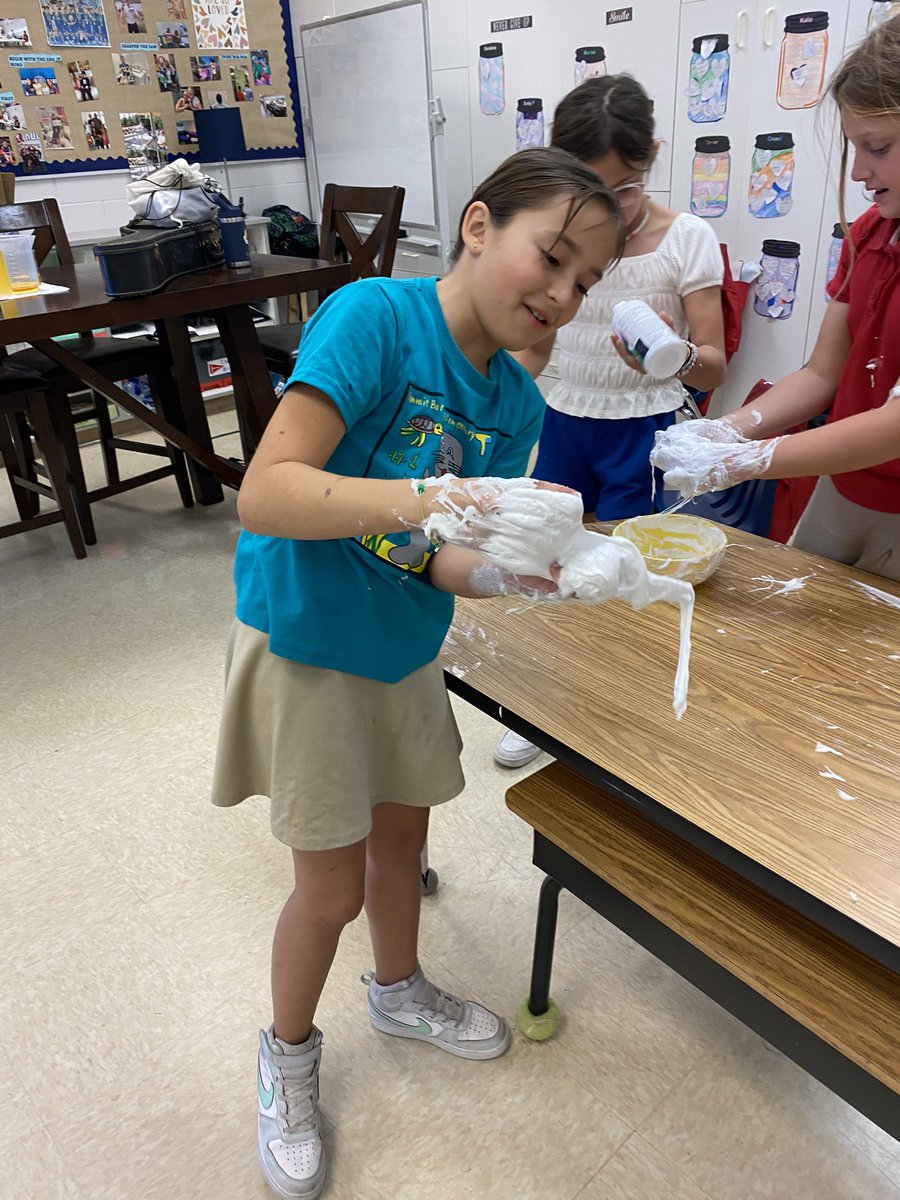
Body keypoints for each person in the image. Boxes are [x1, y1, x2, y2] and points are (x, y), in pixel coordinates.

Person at [210, 147, 622, 1200]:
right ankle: (288, 1052)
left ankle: (399, 990)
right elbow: (269, 493)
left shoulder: (517, 407)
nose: (564, 295)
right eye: (554, 256)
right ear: (479, 226)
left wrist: (500, 576)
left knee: (405, 842)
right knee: (331, 885)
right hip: (308, 641)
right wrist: (430, 499)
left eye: (587, 282)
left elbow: (426, 553)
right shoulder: (375, 319)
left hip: (399, 646)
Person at [494, 74, 726, 769]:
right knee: (550, 564)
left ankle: (616, 715)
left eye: (625, 188)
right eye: (592, 191)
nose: (614, 210)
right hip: (565, 425)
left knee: (628, 577)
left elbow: (713, 366)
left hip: (641, 436)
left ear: (652, 156)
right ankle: (547, 707)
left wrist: (673, 355)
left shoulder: (685, 239)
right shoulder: (565, 244)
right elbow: (533, 349)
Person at [651, 18, 900, 584]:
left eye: (877, 148)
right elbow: (821, 373)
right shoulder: (868, 234)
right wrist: (730, 429)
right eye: (854, 148)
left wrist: (750, 460)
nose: (859, 172)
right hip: (845, 484)